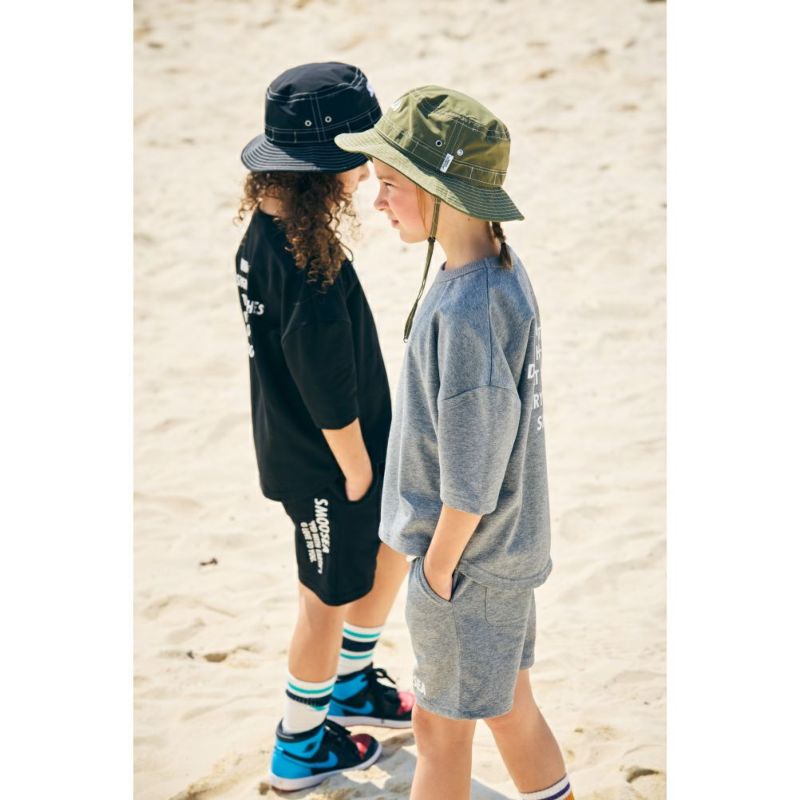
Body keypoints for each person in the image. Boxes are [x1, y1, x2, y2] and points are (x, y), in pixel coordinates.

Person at [335, 87, 575, 800]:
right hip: (496, 554)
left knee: (440, 733)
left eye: (391, 184)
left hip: (466, 562)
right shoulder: (493, 266)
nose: (378, 200)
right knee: (508, 705)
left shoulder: (471, 310)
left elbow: (473, 470)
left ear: (443, 192)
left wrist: (437, 573)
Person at [235, 62, 413, 792]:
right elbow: (324, 383)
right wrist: (358, 466)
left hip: (328, 452)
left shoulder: (267, 234)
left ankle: (351, 682)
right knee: (324, 599)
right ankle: (300, 744)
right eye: (358, 157)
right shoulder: (305, 267)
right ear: (320, 167)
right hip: (329, 463)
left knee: (388, 549)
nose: (366, 171)